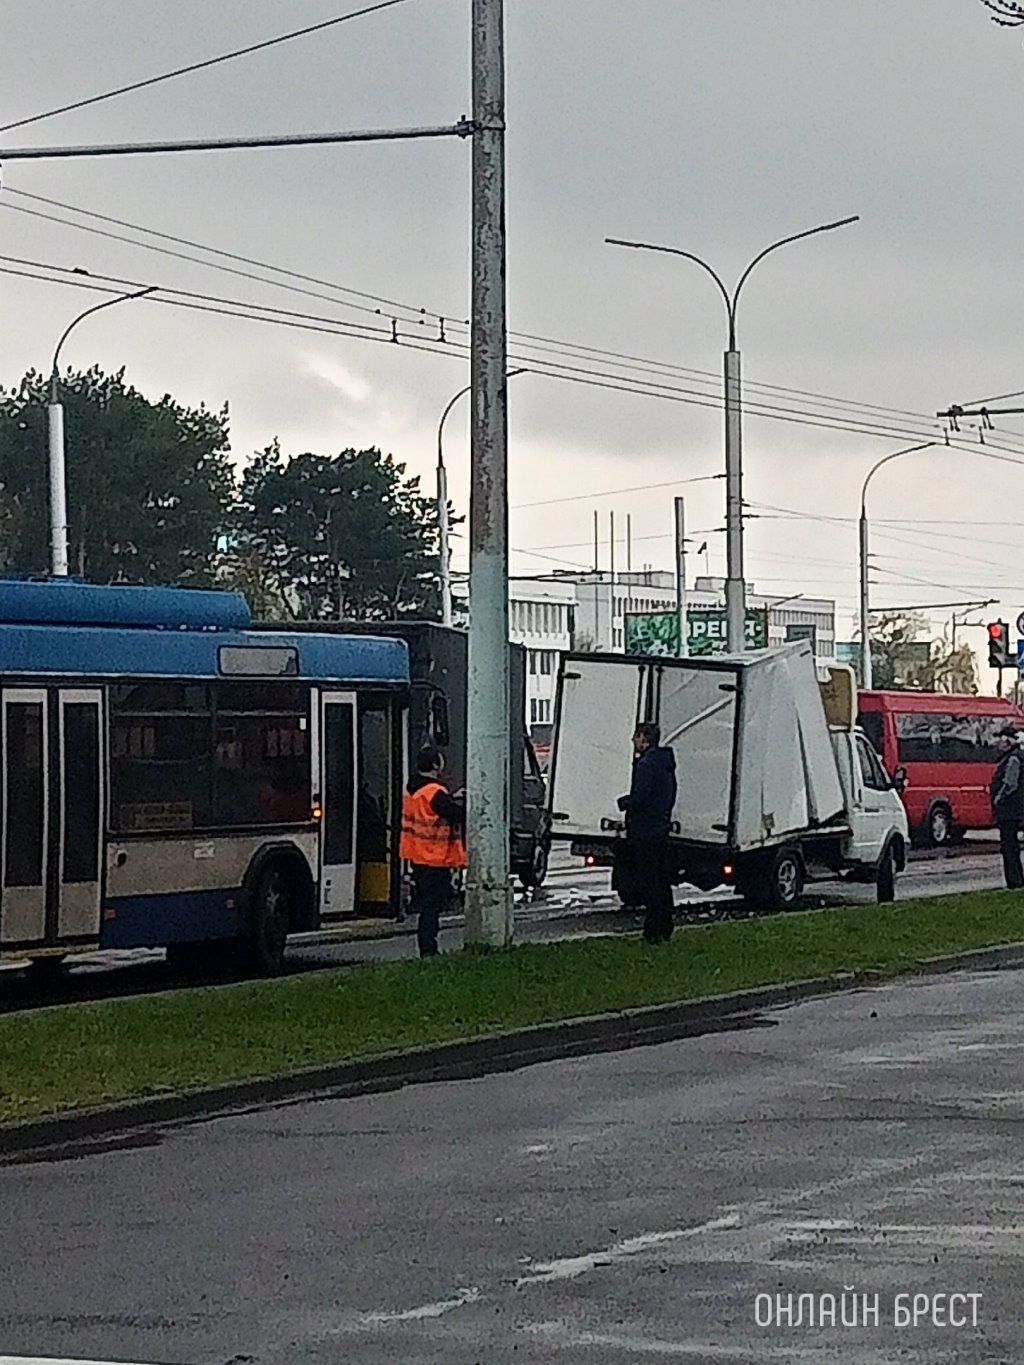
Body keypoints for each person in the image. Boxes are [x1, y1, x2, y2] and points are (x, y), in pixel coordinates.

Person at [400, 745, 466, 956]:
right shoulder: (435, 793)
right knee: (432, 907)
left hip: (418, 856)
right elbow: (455, 814)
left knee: (428, 904)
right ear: (436, 765)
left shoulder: (413, 790)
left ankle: (427, 946)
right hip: (435, 858)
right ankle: (429, 949)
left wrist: (451, 796)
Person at [617, 721, 678, 943]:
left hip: (645, 830)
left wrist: (624, 803)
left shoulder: (646, 765)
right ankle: (665, 925)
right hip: (660, 827)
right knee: (662, 879)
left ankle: (653, 930)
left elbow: (641, 796)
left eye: (636, 737)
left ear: (645, 739)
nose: (634, 741)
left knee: (649, 880)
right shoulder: (665, 764)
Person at [990, 725, 1024, 890]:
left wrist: (999, 798)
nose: (998, 742)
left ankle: (1014, 881)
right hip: (1015, 809)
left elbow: (1010, 783)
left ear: (1008, 740)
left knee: (1009, 846)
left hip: (1010, 810)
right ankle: (1017, 879)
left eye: (1001, 738)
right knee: (1012, 846)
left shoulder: (1012, 758)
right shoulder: (1015, 756)